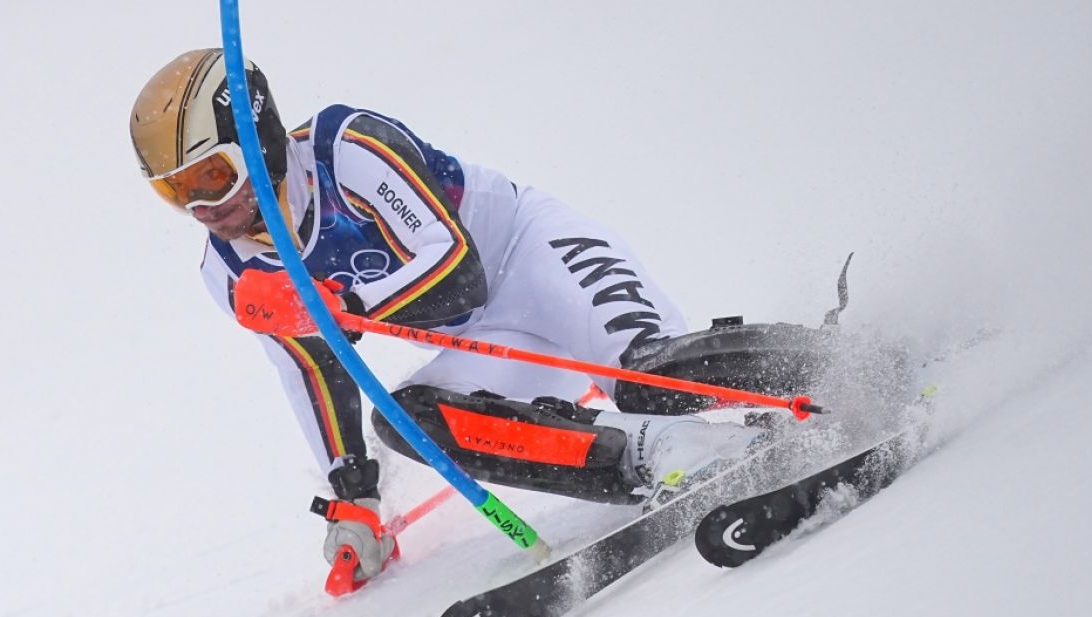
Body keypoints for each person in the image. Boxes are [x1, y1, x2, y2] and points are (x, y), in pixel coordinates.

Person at [130, 49, 786, 583]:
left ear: (257, 138)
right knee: (409, 421)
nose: (200, 208)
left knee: (647, 378)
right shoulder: (231, 270)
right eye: (174, 191)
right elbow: (306, 366)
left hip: (535, 258)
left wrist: (347, 309)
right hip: (492, 338)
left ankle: (812, 361)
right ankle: (658, 451)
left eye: (210, 177)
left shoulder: (346, 149)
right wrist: (352, 493)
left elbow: (456, 270)